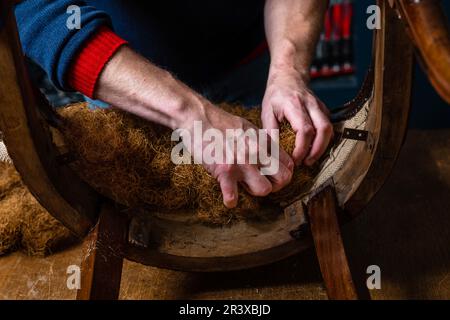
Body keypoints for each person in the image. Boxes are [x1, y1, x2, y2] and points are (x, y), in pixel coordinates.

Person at [15, 0, 333, 208]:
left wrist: (288, 68)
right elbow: (31, 8)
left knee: (276, 195)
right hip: (127, 86)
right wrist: (190, 113)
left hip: (257, 65)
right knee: (138, 217)